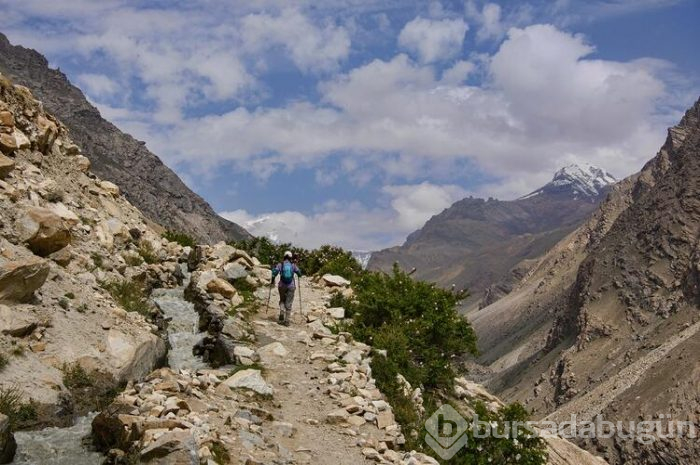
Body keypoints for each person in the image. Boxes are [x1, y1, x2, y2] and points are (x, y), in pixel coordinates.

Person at [271, 251, 302, 326]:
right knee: (289, 303)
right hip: (291, 286)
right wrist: (297, 270)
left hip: (282, 286)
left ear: (284, 256)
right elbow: (299, 274)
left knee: (282, 300)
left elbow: (274, 273)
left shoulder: (280, 264)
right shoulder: (293, 265)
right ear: (291, 257)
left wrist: (272, 280)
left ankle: (282, 311)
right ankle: (287, 321)